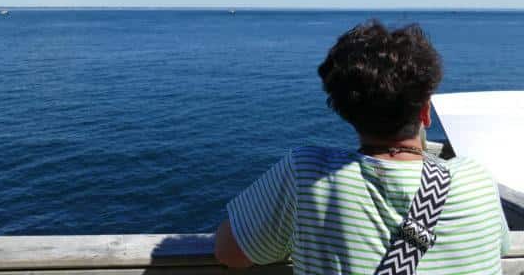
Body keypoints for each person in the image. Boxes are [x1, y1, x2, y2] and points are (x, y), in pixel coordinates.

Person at [215, 20, 510, 274]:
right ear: (425, 111)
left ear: (345, 111)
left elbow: (229, 252)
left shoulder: (306, 174)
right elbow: (500, 247)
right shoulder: (477, 180)